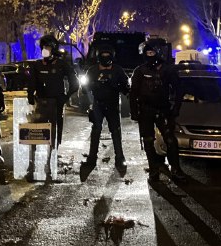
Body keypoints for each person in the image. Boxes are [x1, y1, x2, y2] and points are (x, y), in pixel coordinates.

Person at [129, 38, 186, 182]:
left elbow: (179, 90)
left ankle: (175, 169)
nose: (150, 55)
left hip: (163, 109)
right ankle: (153, 169)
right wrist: (134, 111)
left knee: (170, 140)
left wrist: (175, 108)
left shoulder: (167, 70)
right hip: (145, 110)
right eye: (148, 53)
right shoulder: (140, 71)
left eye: (152, 52)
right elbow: (133, 92)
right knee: (148, 140)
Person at [82, 43, 130, 171]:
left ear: (112, 56)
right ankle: (92, 158)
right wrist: (93, 85)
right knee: (96, 130)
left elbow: (126, 88)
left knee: (116, 131)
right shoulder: (92, 70)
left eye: (107, 55)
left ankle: (120, 157)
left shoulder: (118, 70)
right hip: (98, 103)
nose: (105, 57)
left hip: (113, 104)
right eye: (103, 55)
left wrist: (116, 85)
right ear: (99, 56)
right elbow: (84, 89)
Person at [27, 34, 79, 150]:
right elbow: (32, 83)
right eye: (43, 47)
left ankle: (53, 153)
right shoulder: (37, 65)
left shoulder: (61, 64)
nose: (45, 50)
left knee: (54, 131)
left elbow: (75, 83)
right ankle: (35, 155)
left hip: (56, 104)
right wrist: (30, 96)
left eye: (48, 47)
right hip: (41, 103)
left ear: (53, 49)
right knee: (38, 131)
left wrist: (66, 97)